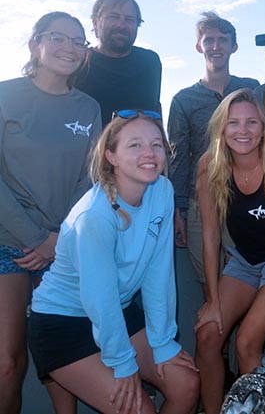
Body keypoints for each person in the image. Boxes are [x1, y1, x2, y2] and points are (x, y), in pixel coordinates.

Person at [27, 110, 200, 414]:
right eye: (135, 145)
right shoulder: (94, 216)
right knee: (138, 408)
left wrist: (162, 343)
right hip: (63, 324)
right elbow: (99, 298)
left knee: (185, 382)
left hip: (118, 314)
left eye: (157, 144)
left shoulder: (162, 190)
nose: (149, 153)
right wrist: (123, 363)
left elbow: (158, 274)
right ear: (112, 156)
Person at [0, 12, 101, 414]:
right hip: (9, 243)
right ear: (36, 44)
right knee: (7, 364)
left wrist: (57, 238)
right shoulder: (5, 95)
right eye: (60, 38)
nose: (70, 48)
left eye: (79, 42)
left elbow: (89, 179)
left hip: (63, 245)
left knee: (62, 359)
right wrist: (36, 238)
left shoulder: (89, 107)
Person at [194, 89, 265, 413]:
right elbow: (210, 236)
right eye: (233, 123)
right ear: (222, 128)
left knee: (247, 343)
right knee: (208, 335)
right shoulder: (210, 165)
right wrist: (213, 301)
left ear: (263, 127)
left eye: (251, 122)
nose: (243, 131)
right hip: (244, 261)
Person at [168, 11, 259, 283]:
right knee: (209, 283)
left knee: (244, 279)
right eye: (209, 40)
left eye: (223, 40)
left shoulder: (251, 90)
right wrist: (178, 209)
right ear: (199, 46)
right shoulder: (184, 100)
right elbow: (179, 156)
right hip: (200, 200)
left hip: (245, 197)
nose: (216, 46)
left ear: (234, 46)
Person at [76, 0, 162, 125]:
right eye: (113, 17)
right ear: (95, 22)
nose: (121, 25)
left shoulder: (150, 62)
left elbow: (154, 112)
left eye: (129, 19)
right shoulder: (79, 60)